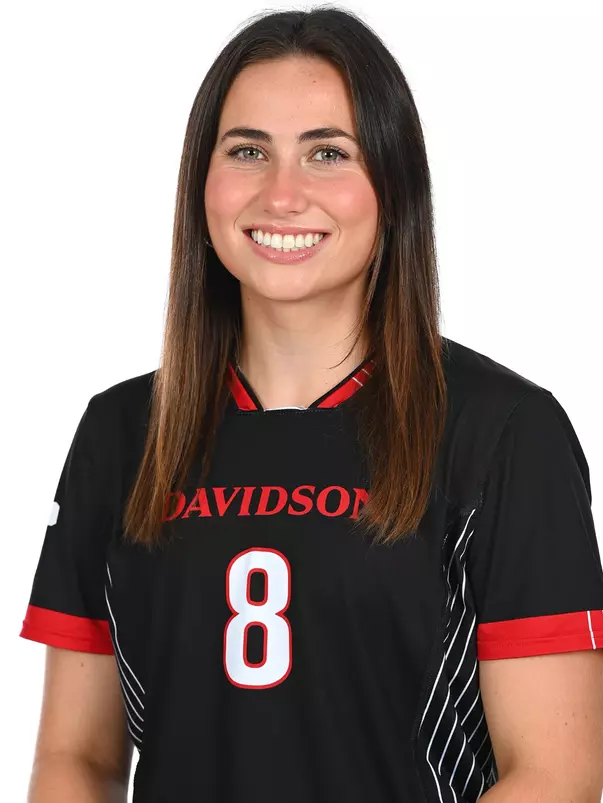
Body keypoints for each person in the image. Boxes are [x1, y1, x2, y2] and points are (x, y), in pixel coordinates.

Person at [20, 7, 603, 803]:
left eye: (327, 153)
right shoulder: (121, 434)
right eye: (247, 151)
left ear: (393, 184)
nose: (282, 194)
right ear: (201, 184)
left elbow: (558, 774)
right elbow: (75, 759)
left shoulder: (502, 432)